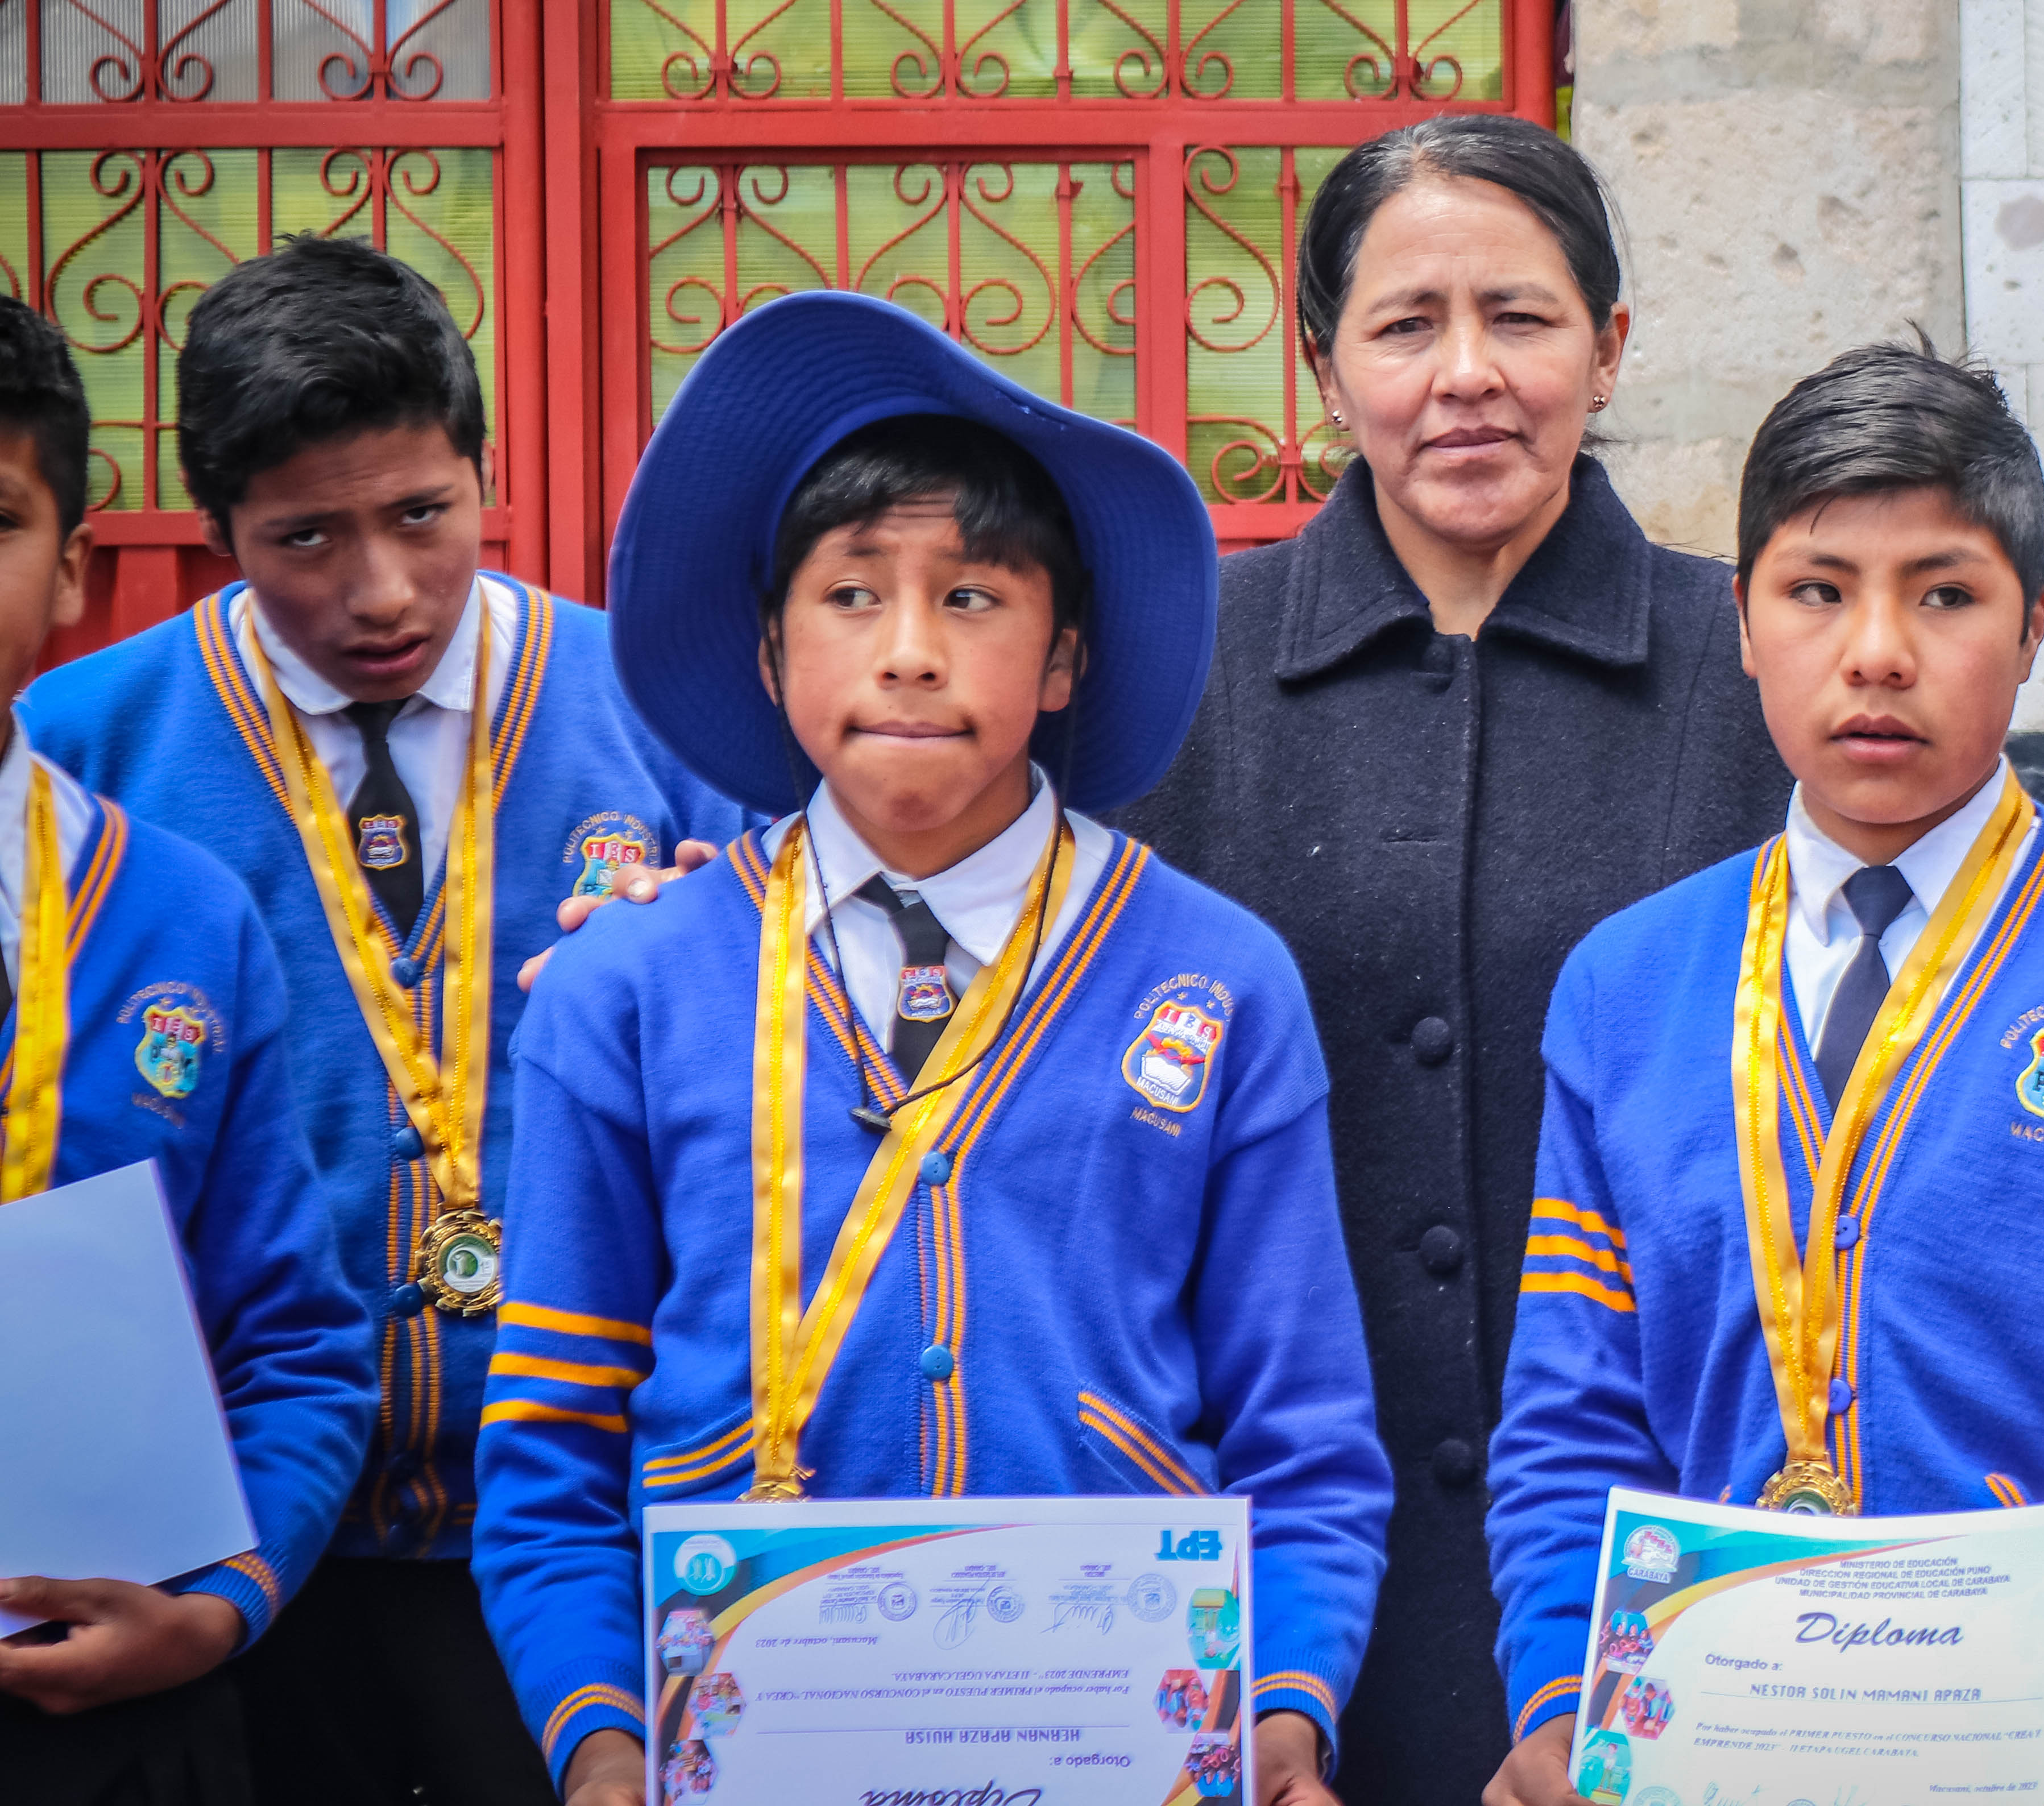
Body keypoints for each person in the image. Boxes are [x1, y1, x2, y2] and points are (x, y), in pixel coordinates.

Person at [1114, 113, 2044, 1802]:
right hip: (1289, 1591)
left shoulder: (1774, 652)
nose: (1467, 376)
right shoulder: (1175, 688)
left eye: (1520, 317)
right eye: (1402, 325)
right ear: (1320, 362)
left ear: (1611, 346)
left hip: (1718, 1644)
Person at [473, 292, 1391, 1806]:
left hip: (1124, 1753)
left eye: (972, 598)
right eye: (850, 597)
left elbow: (1303, 1440)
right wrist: (602, 1752)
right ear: (769, 651)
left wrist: (1283, 1719)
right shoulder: (627, 991)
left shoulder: (1220, 982)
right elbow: (555, 1450)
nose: (908, 653)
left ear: (1065, 657)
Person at [1481, 342, 2044, 1806]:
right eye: (1817, 589)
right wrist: (1565, 1703)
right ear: (1743, 622)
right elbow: (1574, 1415)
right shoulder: (1626, 986)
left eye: (1946, 593)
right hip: (1705, 1752)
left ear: (2034, 627)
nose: (1878, 649)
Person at [22, 236, 756, 1806]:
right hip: (215, 1559)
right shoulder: (77, 748)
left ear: (482, 473)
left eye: (425, 515)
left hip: (581, 1535)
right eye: (305, 539)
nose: (382, 591)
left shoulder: (661, 715)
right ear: (216, 536)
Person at [0, 295, 374, 1803]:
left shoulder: (178, 915)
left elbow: (294, 1340)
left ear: (68, 568)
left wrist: (222, 1605)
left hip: (109, 1716)